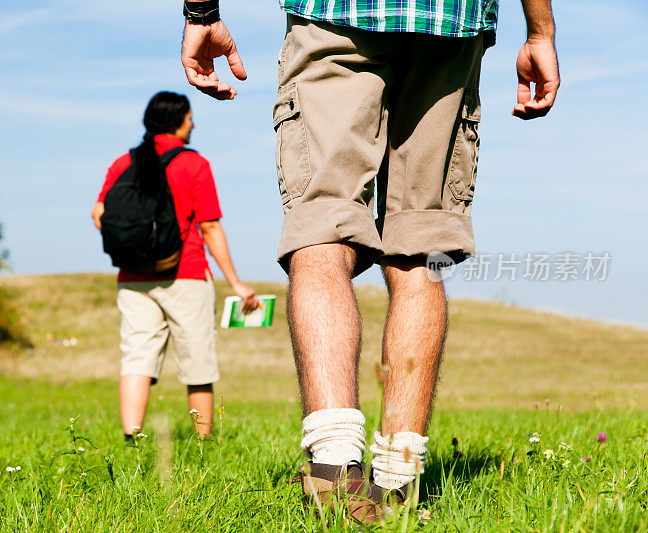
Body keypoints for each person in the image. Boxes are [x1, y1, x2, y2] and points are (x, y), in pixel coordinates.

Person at [180, 0, 559, 524]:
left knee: (321, 230)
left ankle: (334, 469)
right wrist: (540, 30)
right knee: (419, 248)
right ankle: (400, 480)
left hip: (336, 13)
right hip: (451, 22)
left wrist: (200, 12)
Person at [92, 91, 259, 440]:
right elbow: (210, 227)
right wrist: (236, 283)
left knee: (137, 358)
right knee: (197, 359)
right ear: (178, 121)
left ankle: (131, 439)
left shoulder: (123, 163)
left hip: (132, 277)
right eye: (190, 117)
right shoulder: (194, 164)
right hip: (185, 275)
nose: (193, 123)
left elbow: (99, 216)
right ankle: (203, 443)